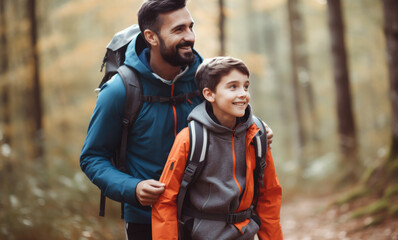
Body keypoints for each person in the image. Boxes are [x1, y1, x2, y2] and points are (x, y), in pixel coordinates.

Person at [80, 0, 273, 239]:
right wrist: (133, 187)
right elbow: (92, 158)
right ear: (151, 36)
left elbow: (230, 114)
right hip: (147, 220)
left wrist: (256, 127)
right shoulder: (120, 91)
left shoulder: (203, 78)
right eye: (178, 29)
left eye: (191, 27)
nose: (190, 36)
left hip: (206, 219)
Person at [152, 56, 283, 240]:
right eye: (232, 87)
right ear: (209, 94)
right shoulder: (189, 139)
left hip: (245, 234)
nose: (243, 93)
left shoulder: (257, 134)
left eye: (246, 86)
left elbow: (269, 195)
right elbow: (166, 201)